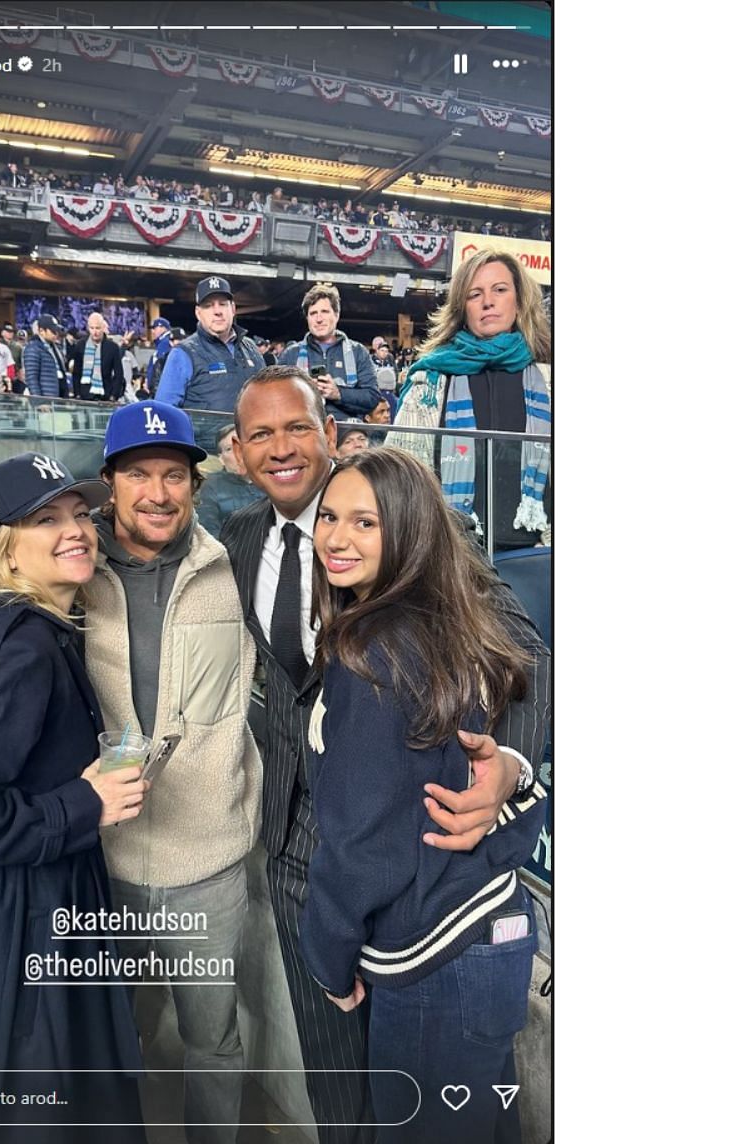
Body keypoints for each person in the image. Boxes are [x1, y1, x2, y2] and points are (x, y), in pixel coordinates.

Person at [219, 365, 550, 1144]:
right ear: (237, 452)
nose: (282, 447)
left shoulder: (417, 536)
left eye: (298, 425)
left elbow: (525, 651)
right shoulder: (235, 537)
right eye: (261, 434)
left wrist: (509, 763)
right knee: (347, 1079)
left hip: (402, 885)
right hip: (310, 849)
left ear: (330, 432)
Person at [302, 447, 546, 1143]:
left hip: (436, 956)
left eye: (366, 523)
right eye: (329, 518)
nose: (337, 539)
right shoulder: (446, 620)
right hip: (485, 937)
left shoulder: (375, 653)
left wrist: (328, 954)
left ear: (409, 530)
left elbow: (361, 848)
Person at [0, 452, 147, 1143]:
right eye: (46, 520)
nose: (76, 530)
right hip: (12, 934)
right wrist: (84, 805)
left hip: (24, 913)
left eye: (79, 514)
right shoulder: (23, 653)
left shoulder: (27, 632)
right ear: (6, 551)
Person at [80, 401, 262, 1144]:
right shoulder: (72, 573)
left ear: (194, 483)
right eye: (139, 475)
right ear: (111, 485)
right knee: (112, 1032)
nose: (158, 493)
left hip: (209, 860)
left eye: (173, 476)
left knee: (212, 1039)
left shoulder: (233, 565)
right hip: (100, 859)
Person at [389, 249, 553, 550]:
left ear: (518, 300)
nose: (488, 302)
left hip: (535, 554)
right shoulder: (431, 380)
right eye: (474, 294)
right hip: (452, 555)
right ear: (462, 308)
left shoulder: (548, 381)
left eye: (500, 290)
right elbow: (397, 480)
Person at [154, 277, 265, 417]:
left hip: (250, 438)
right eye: (208, 305)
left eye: (223, 304)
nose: (217, 311)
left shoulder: (251, 349)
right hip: (204, 439)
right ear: (198, 313)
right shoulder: (183, 353)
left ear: (233, 309)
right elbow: (164, 412)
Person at [282, 282, 385, 424]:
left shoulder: (358, 352)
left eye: (325, 312)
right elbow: (277, 399)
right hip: (304, 432)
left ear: (336, 315)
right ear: (307, 318)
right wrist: (302, 394)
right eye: (313, 313)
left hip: (347, 436)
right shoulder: (291, 355)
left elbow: (372, 397)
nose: (319, 319)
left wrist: (338, 393)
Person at [197, 423, 265, 540]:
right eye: (229, 449)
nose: (238, 454)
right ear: (221, 459)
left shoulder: (271, 479)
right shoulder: (210, 486)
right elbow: (208, 533)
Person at [69, 312, 126, 402]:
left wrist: (114, 396)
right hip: (84, 396)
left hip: (106, 396)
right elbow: (76, 373)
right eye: (92, 328)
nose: (95, 332)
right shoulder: (80, 345)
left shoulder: (113, 347)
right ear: (88, 328)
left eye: (98, 328)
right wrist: (77, 394)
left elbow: (118, 374)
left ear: (103, 328)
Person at [24, 314, 71, 399]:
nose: (56, 334)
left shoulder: (55, 347)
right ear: (41, 331)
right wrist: (39, 401)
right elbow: (32, 378)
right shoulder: (33, 348)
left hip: (60, 396)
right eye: (53, 331)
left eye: (56, 331)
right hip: (46, 398)